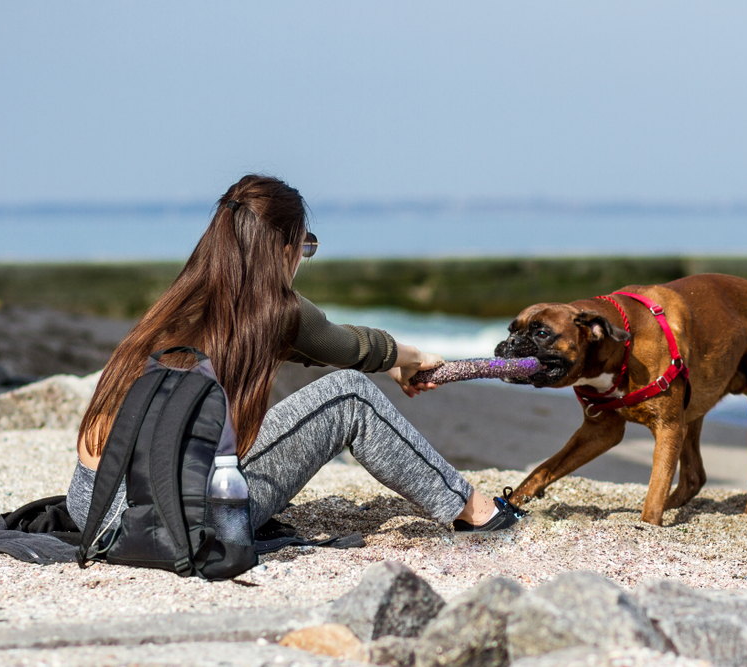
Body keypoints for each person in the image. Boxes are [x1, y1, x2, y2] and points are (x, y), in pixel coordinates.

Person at [66, 174, 523, 540]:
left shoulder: (180, 299)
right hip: (173, 522)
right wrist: (414, 356)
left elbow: (333, 345)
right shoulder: (272, 309)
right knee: (351, 398)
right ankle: (475, 512)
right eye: (305, 248)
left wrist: (405, 360)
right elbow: (352, 349)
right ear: (283, 248)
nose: (302, 260)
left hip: (92, 506)